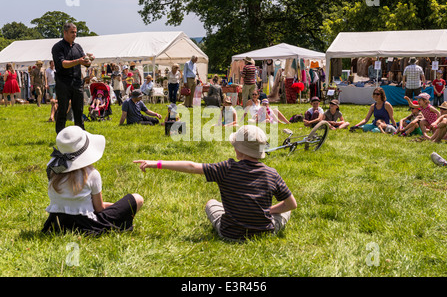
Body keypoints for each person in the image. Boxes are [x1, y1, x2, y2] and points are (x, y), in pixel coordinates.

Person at [133, 125, 297, 241]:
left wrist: (156, 163)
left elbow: (191, 167)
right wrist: (269, 211)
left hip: (230, 233)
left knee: (212, 203)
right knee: (286, 212)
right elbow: (291, 204)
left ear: (238, 149)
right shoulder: (272, 173)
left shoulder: (226, 168)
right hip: (264, 233)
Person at [42, 126, 144, 235]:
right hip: (86, 225)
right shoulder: (91, 174)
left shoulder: (53, 170)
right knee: (137, 199)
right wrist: (117, 206)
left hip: (55, 224)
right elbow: (99, 208)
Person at [52, 22, 94, 134]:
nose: (74, 34)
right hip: (63, 82)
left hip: (77, 81)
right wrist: (78, 61)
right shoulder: (57, 47)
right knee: (63, 109)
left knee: (79, 110)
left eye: (75, 32)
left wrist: (89, 59)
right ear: (65, 32)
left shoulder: (78, 47)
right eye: (72, 32)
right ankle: (60, 135)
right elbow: (63, 64)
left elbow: (86, 64)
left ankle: (81, 134)